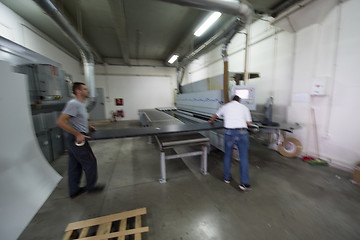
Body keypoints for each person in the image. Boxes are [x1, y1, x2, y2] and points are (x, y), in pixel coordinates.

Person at [57, 82, 104, 198]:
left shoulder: (81, 104)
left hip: (75, 137)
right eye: (85, 89)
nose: (87, 91)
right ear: (78, 91)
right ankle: (91, 187)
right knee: (90, 162)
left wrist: (88, 126)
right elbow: (61, 121)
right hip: (76, 138)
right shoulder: (73, 103)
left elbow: (77, 119)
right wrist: (77, 134)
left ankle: (74, 191)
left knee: (75, 165)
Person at [208, 95, 252, 191]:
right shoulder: (244, 108)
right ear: (239, 101)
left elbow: (215, 116)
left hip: (229, 133)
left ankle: (226, 178)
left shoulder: (225, 106)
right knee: (244, 157)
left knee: (228, 155)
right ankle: (245, 183)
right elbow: (249, 123)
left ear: (231, 100)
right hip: (242, 132)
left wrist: (211, 121)